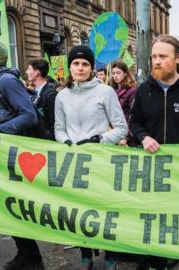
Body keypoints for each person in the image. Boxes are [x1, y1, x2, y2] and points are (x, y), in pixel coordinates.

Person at [129, 34, 179, 270]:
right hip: (155, 173)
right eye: (154, 56)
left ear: (178, 58)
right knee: (157, 222)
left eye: (162, 56)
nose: (156, 61)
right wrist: (143, 138)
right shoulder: (144, 90)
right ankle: (158, 263)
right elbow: (134, 123)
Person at [54, 45, 128, 270]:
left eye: (85, 64)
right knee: (78, 210)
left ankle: (110, 255)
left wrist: (98, 140)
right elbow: (59, 128)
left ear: (91, 67)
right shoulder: (61, 96)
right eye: (76, 63)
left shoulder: (105, 92)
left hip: (100, 160)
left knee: (105, 209)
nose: (80, 67)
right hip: (74, 162)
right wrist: (66, 142)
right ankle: (85, 255)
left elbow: (122, 128)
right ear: (69, 67)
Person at [0, 38, 42, 270]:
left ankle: (34, 260)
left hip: (14, 154)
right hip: (4, 153)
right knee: (8, 208)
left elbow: (29, 115)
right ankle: (26, 254)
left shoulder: (6, 81)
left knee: (14, 208)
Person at [26, 58, 57, 140]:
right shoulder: (32, 93)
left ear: (37, 73)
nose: (26, 72)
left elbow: (54, 124)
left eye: (29, 69)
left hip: (45, 142)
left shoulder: (51, 94)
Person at [109, 60, 137, 146]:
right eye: (113, 73)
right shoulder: (111, 90)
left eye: (118, 73)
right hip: (112, 132)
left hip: (126, 135)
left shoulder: (132, 91)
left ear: (125, 73)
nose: (115, 76)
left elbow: (133, 116)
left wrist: (126, 137)